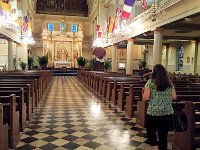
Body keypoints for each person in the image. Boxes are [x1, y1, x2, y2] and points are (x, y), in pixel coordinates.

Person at [143, 64, 177, 150]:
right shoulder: (169, 83)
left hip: (153, 113)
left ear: (154, 72)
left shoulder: (150, 82)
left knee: (150, 131)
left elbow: (145, 98)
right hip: (167, 112)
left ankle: (155, 147)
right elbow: (174, 97)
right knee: (163, 135)